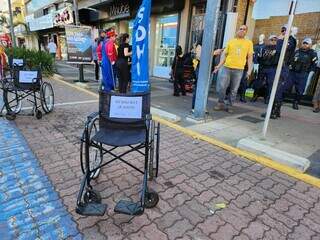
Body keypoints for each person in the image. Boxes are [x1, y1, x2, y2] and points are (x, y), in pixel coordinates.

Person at [213, 25, 254, 113]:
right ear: (237, 30)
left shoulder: (249, 43)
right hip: (227, 68)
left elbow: (250, 57)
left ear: (246, 32)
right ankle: (220, 103)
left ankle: (230, 105)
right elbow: (225, 56)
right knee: (222, 87)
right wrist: (218, 66)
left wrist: (250, 70)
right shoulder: (231, 42)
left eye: (244, 29)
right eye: (241, 29)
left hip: (239, 69)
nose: (242, 30)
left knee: (234, 89)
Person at [280, 37, 318, 110]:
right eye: (304, 43)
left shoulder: (312, 53)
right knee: (286, 87)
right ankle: (280, 100)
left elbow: (314, 65)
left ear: (310, 45)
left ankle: (296, 102)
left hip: (303, 74)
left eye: (307, 43)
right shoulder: (297, 51)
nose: (305, 45)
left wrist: (309, 73)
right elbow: (290, 60)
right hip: (292, 73)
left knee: (300, 90)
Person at [258, 35, 280, 102]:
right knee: (259, 82)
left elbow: (278, 60)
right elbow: (260, 58)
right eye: (272, 39)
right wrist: (261, 65)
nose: (273, 41)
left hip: (272, 68)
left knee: (270, 84)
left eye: (275, 40)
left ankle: (267, 98)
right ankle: (256, 95)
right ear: (269, 40)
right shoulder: (264, 48)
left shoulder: (278, 49)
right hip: (263, 67)